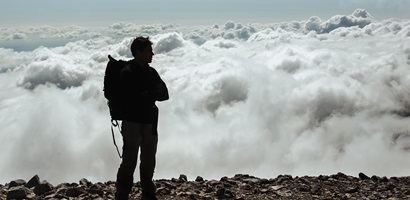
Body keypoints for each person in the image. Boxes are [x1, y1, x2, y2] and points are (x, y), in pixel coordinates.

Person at [115, 36, 169, 200]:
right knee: (129, 162)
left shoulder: (151, 72)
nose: (152, 54)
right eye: (148, 51)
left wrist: (147, 94)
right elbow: (133, 98)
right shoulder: (127, 73)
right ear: (138, 53)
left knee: (148, 161)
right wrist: (150, 94)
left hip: (148, 123)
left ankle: (147, 193)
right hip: (133, 123)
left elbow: (164, 94)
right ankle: (123, 195)